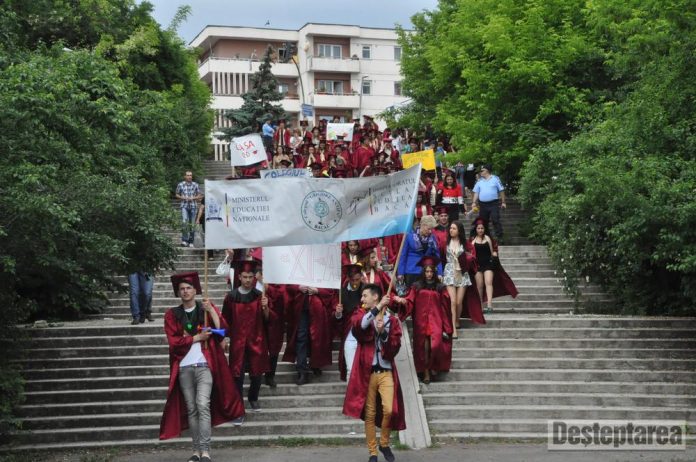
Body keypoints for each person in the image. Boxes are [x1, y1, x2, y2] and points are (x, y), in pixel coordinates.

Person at [159, 272, 244, 462]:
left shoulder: (204, 309)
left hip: (204, 365)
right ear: (178, 292)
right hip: (184, 368)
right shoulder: (172, 315)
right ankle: (196, 451)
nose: (185, 291)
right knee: (192, 409)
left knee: (202, 405)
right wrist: (197, 337)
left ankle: (205, 451)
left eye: (188, 288)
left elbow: (223, 331)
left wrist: (211, 311)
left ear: (195, 290)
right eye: (182, 289)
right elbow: (174, 343)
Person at [342, 284, 405, 462]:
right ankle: (372, 452)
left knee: (390, 410)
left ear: (375, 296)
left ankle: (384, 443)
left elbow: (395, 348)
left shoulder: (391, 321)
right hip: (367, 373)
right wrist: (377, 309)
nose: (362, 299)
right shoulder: (361, 314)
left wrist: (383, 334)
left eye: (364, 295)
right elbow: (359, 327)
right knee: (369, 413)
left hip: (386, 372)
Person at [221, 260, 273, 412]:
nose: (248, 280)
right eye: (245, 277)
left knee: (257, 373)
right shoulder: (231, 297)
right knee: (237, 374)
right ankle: (238, 403)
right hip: (238, 341)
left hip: (257, 339)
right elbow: (225, 319)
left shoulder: (259, 296)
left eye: (250, 277)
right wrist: (224, 338)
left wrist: (265, 307)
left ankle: (253, 398)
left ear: (254, 278)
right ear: (239, 277)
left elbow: (267, 319)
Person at [393, 256, 453, 383]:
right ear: (423, 272)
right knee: (423, 348)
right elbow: (410, 299)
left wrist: (446, 325)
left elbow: (445, 307)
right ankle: (426, 372)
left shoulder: (440, 287)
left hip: (436, 321)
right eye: (427, 271)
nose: (429, 274)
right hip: (421, 321)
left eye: (431, 271)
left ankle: (433, 366)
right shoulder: (417, 286)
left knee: (435, 346)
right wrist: (403, 301)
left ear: (434, 272)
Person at [283, 284, 336, 385]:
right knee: (301, 338)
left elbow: (330, 290)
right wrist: (298, 287)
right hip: (300, 307)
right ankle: (302, 370)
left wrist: (317, 290)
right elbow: (289, 285)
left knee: (317, 338)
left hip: (318, 308)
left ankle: (315, 364)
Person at [470, 218, 518, 312]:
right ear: (476, 229)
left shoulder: (488, 238)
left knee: (488, 282)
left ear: (484, 229)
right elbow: (470, 251)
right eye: (478, 228)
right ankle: (480, 306)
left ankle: (489, 305)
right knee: (479, 286)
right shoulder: (472, 240)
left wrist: (495, 254)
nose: (480, 230)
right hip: (477, 265)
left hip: (488, 263)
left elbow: (494, 248)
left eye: (482, 228)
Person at [442, 221, 474, 336]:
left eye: (454, 228)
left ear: (459, 231)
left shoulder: (465, 244)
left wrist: (468, 259)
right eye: (450, 228)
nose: (451, 230)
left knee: (459, 302)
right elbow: (441, 257)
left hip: (462, 272)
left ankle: (456, 320)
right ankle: (453, 329)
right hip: (449, 272)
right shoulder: (445, 242)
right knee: (453, 301)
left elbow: (472, 255)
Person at [334, 264, 365, 382]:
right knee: (350, 369)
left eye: (357, 279)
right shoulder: (341, 293)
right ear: (348, 278)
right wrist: (338, 313)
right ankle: (351, 391)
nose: (355, 283)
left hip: (364, 334)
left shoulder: (366, 290)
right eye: (353, 280)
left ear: (361, 277)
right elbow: (337, 319)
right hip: (349, 333)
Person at [397, 215, 441, 288]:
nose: (430, 231)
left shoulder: (432, 238)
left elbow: (437, 256)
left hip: (427, 272)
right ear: (422, 225)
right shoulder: (409, 236)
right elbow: (403, 255)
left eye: (431, 229)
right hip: (411, 271)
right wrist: (400, 273)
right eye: (429, 229)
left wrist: (440, 273)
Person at [471, 164, 506, 241]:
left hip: (493, 204)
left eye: (482, 170)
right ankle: (485, 237)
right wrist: (473, 202)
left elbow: (501, 190)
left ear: (487, 171)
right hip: (483, 205)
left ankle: (500, 237)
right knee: (483, 222)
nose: (480, 172)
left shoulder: (496, 179)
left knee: (495, 219)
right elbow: (476, 192)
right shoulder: (479, 181)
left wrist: (503, 202)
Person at [175, 171, 202, 247]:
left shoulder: (195, 184)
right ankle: (184, 240)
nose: (189, 177)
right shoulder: (181, 184)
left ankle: (191, 241)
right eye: (188, 175)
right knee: (184, 222)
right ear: (185, 176)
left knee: (192, 224)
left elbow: (199, 195)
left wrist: (193, 198)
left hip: (193, 206)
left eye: (190, 175)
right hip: (184, 206)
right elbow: (176, 194)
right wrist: (183, 197)